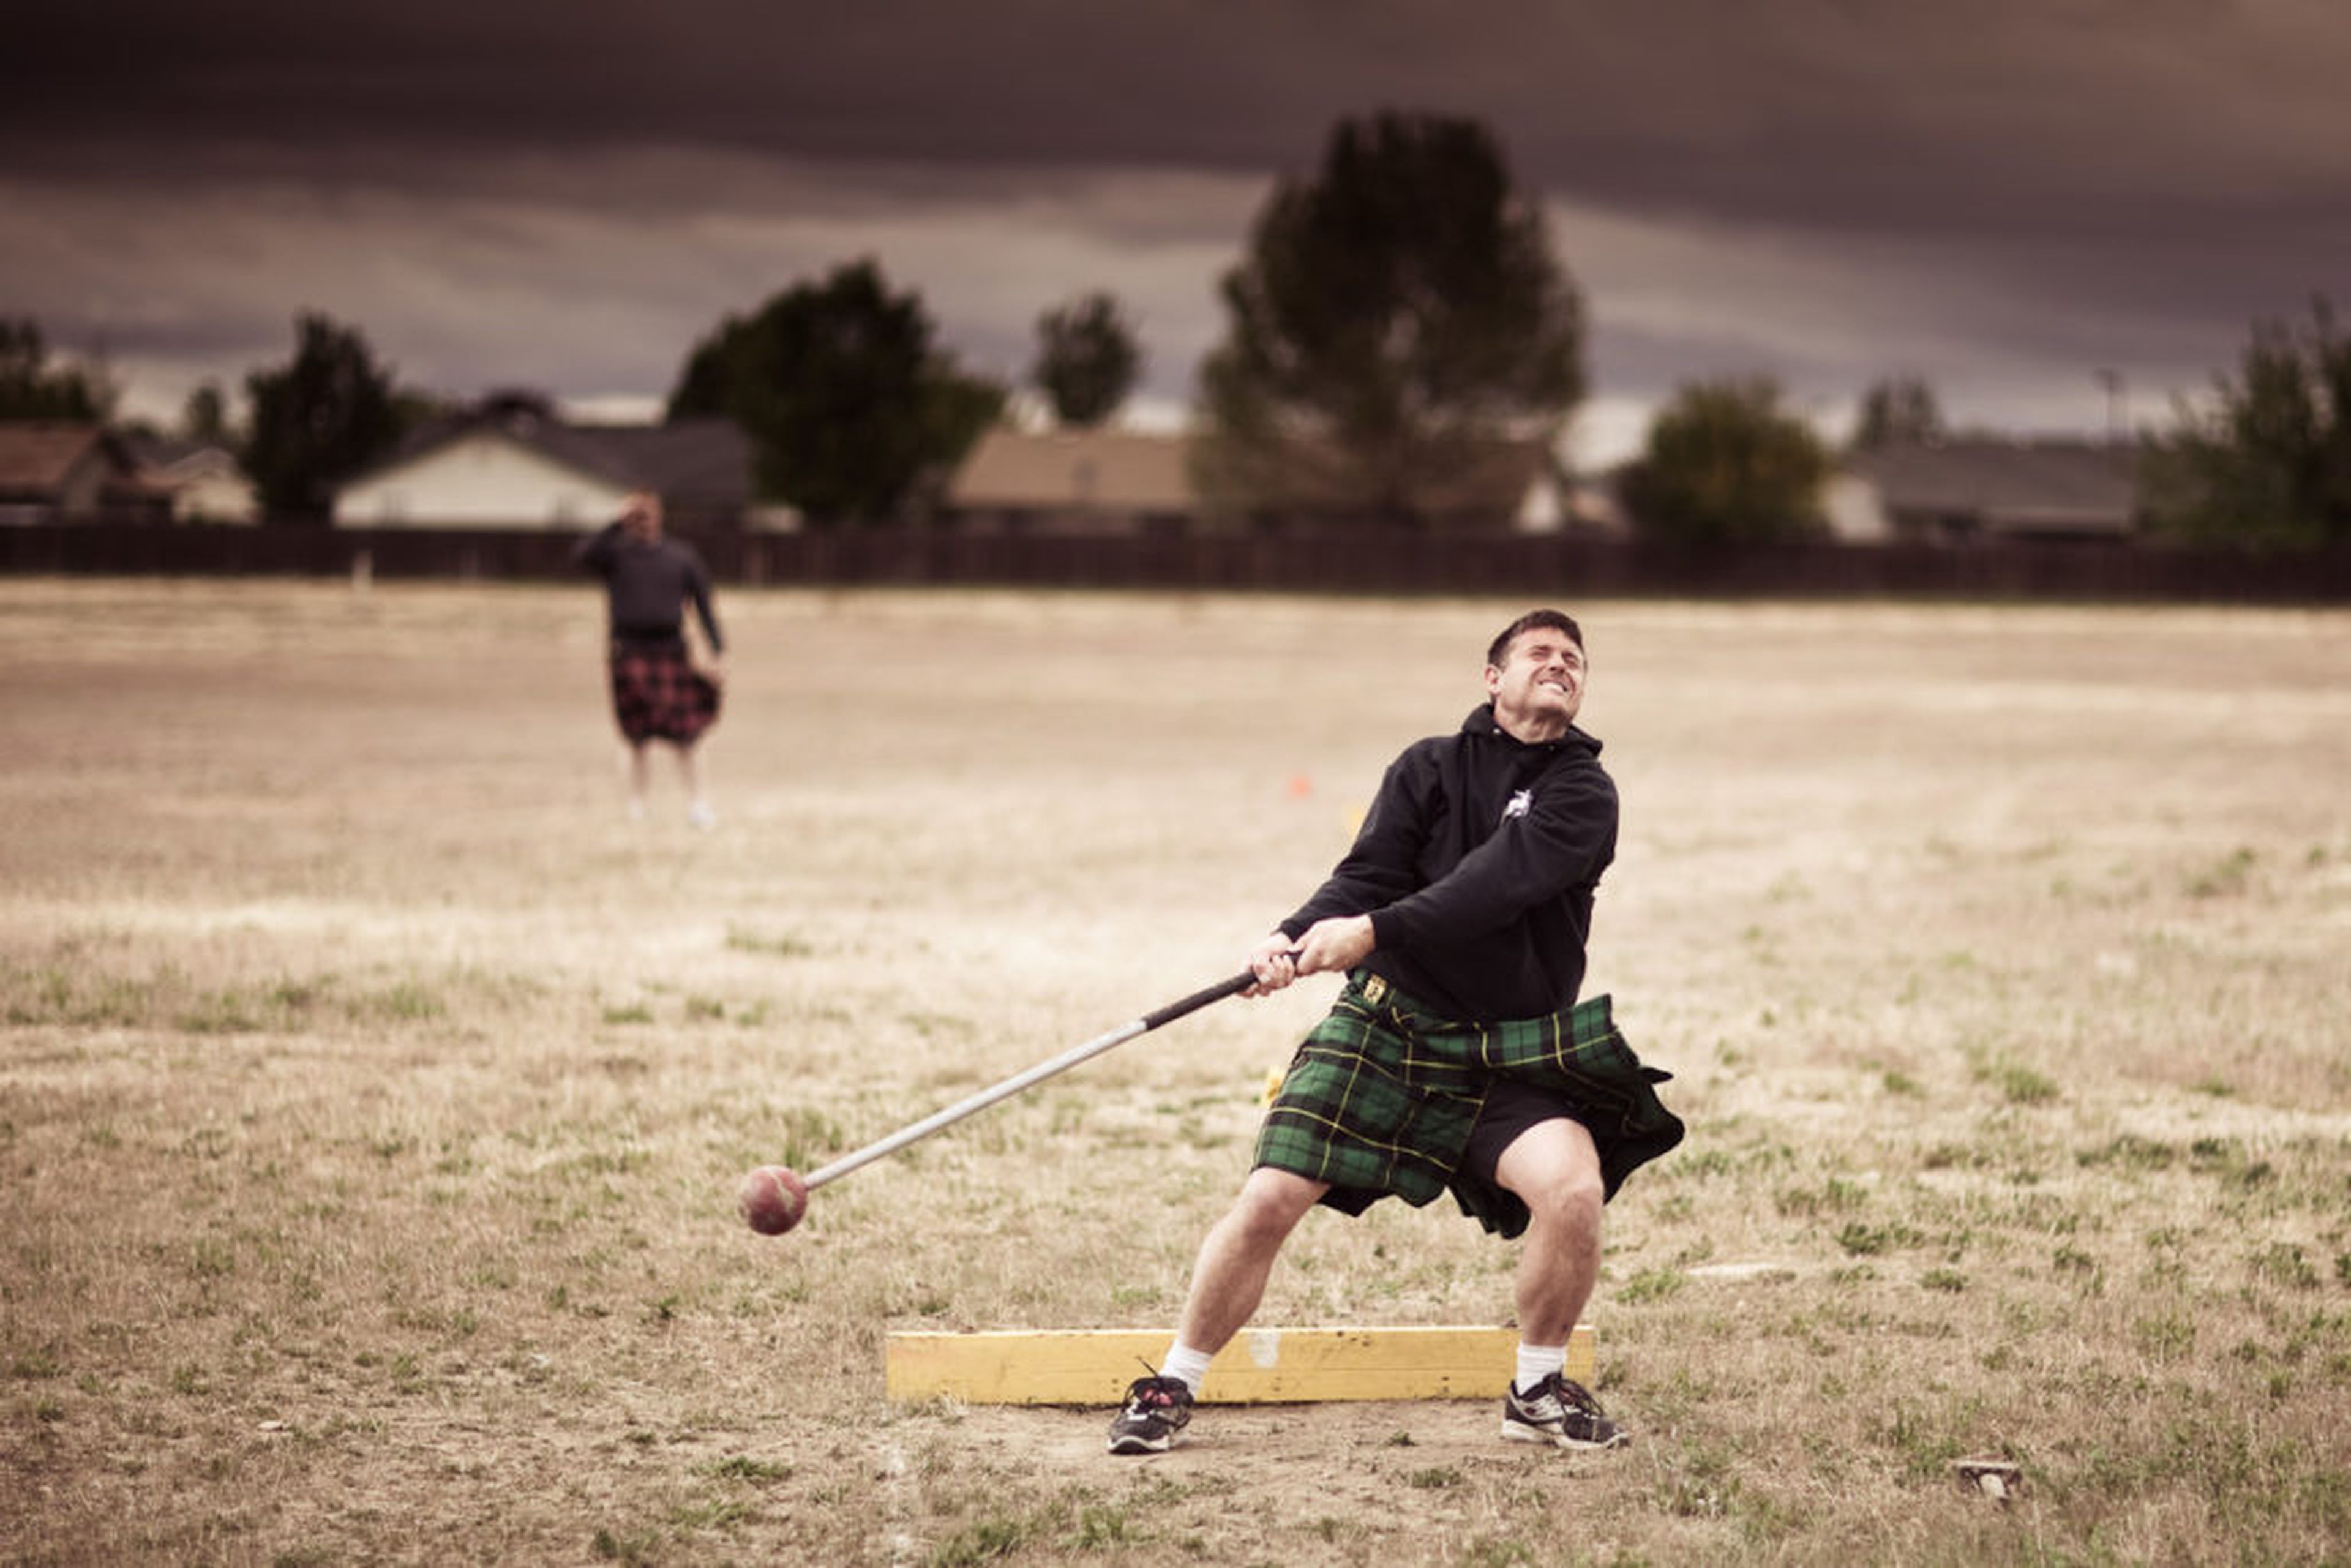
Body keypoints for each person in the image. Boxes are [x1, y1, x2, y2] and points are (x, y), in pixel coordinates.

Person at [1109, 609, 1684, 1456]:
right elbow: (1368, 871)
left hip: (1507, 1046)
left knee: (1572, 1192)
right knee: (1271, 1196)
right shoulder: (1430, 766)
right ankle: (1172, 1383)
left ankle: (1535, 1388)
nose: (1560, 666)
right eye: (1539, 654)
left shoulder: (1583, 791)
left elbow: (1497, 883)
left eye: (1574, 660)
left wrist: (1373, 930)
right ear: (1494, 678)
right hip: (1386, 1023)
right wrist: (1295, 932)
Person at [575, 491, 726, 827]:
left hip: (671, 650)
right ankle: (636, 808)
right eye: (636, 515)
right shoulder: (616, 553)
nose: (642, 522)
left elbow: (704, 606)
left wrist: (716, 651)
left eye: (646, 514)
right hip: (629, 652)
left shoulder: (681, 556)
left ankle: (699, 804)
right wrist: (616, 522)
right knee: (634, 735)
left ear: (660, 515)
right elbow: (582, 555)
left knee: (689, 732)